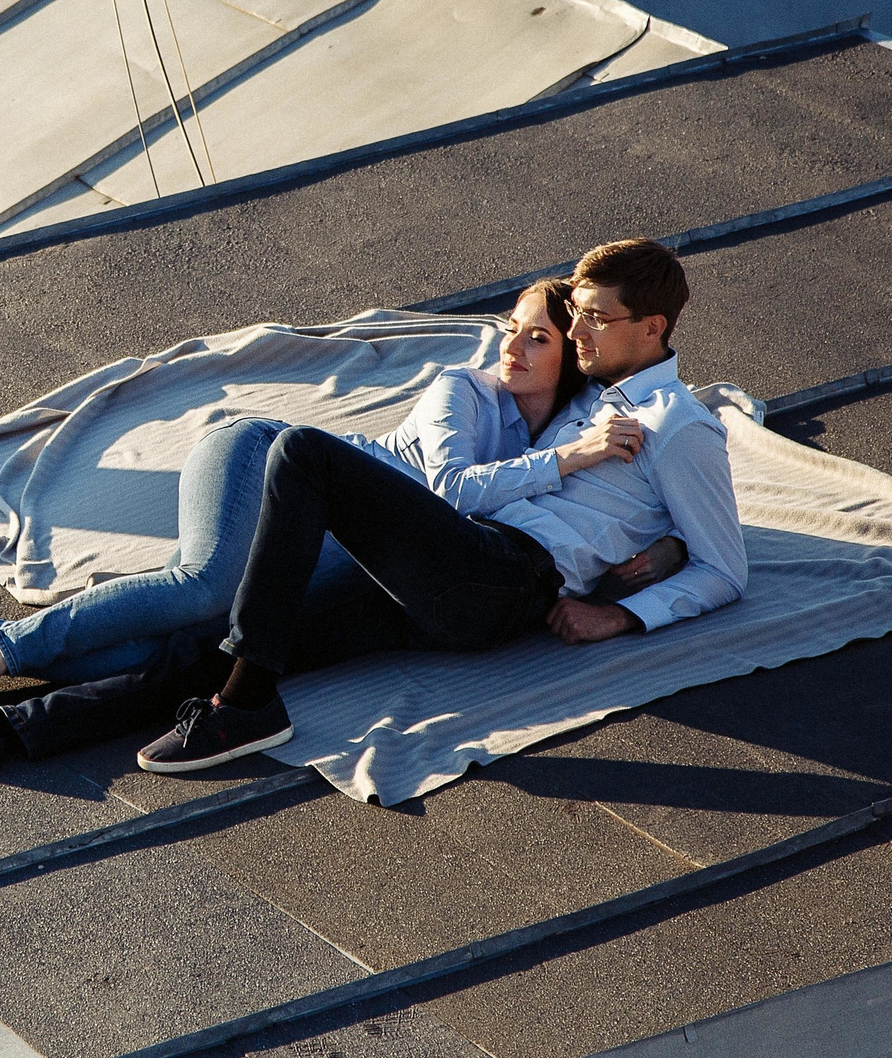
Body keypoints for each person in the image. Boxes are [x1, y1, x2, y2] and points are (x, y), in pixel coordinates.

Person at [0, 275, 681, 774]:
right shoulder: (460, 393)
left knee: (206, 631)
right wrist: (569, 467)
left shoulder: (564, 425)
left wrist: (654, 553)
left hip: (326, 546)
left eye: (540, 337)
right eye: (512, 328)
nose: (515, 346)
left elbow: (612, 505)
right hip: (259, 458)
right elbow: (450, 490)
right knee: (201, 585)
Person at [130, 236, 745, 774]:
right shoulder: (590, 390)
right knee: (222, 642)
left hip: (501, 576)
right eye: (577, 316)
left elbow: (724, 568)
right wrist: (662, 536)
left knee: (303, 454)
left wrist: (624, 614)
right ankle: (39, 722)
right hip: (447, 569)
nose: (577, 334)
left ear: (653, 327)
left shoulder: (678, 426)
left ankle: (246, 707)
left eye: (595, 319)